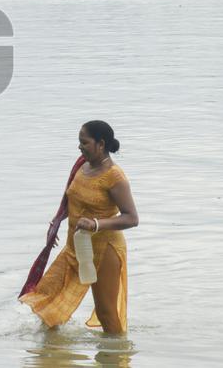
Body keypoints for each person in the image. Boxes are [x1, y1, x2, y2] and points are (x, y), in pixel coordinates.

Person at [20, 120, 138, 333]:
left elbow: (131, 218)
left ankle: (116, 351)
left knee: (106, 312)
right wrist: (57, 220)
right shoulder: (82, 165)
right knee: (46, 297)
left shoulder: (114, 176)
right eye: (79, 142)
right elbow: (74, 198)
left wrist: (95, 224)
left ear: (101, 144)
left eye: (84, 142)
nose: (79, 147)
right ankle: (51, 349)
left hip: (104, 249)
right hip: (75, 246)